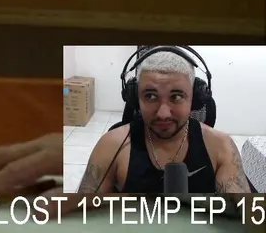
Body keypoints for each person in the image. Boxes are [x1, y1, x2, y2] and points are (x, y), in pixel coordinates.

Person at [75, 50, 250, 195]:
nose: (163, 114)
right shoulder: (111, 146)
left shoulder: (221, 148)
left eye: (177, 97)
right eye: (150, 96)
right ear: (135, 98)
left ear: (194, 99)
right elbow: (82, 216)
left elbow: (243, 217)